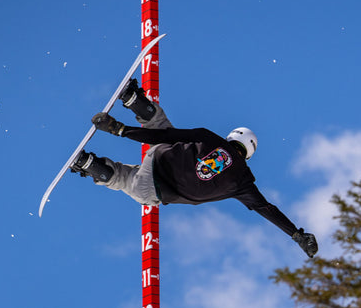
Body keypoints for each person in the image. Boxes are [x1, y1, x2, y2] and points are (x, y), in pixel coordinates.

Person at [69, 80, 318, 258]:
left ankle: (135, 100)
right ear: (248, 154)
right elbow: (267, 209)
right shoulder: (243, 181)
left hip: (160, 157)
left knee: (161, 126)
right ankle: (89, 165)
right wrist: (297, 235)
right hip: (154, 190)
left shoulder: (210, 138)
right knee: (125, 179)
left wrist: (121, 130)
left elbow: (166, 136)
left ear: (232, 138)